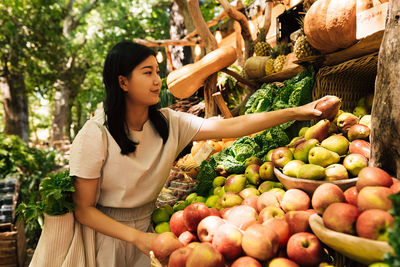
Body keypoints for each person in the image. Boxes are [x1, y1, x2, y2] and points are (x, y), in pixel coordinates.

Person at [70, 40, 325, 267]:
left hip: (151, 233)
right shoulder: (96, 134)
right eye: (147, 73)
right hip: (105, 237)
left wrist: (296, 111)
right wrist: (137, 238)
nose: (157, 81)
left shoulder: (168, 123)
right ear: (122, 82)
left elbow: (232, 126)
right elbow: (84, 209)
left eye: (157, 72)